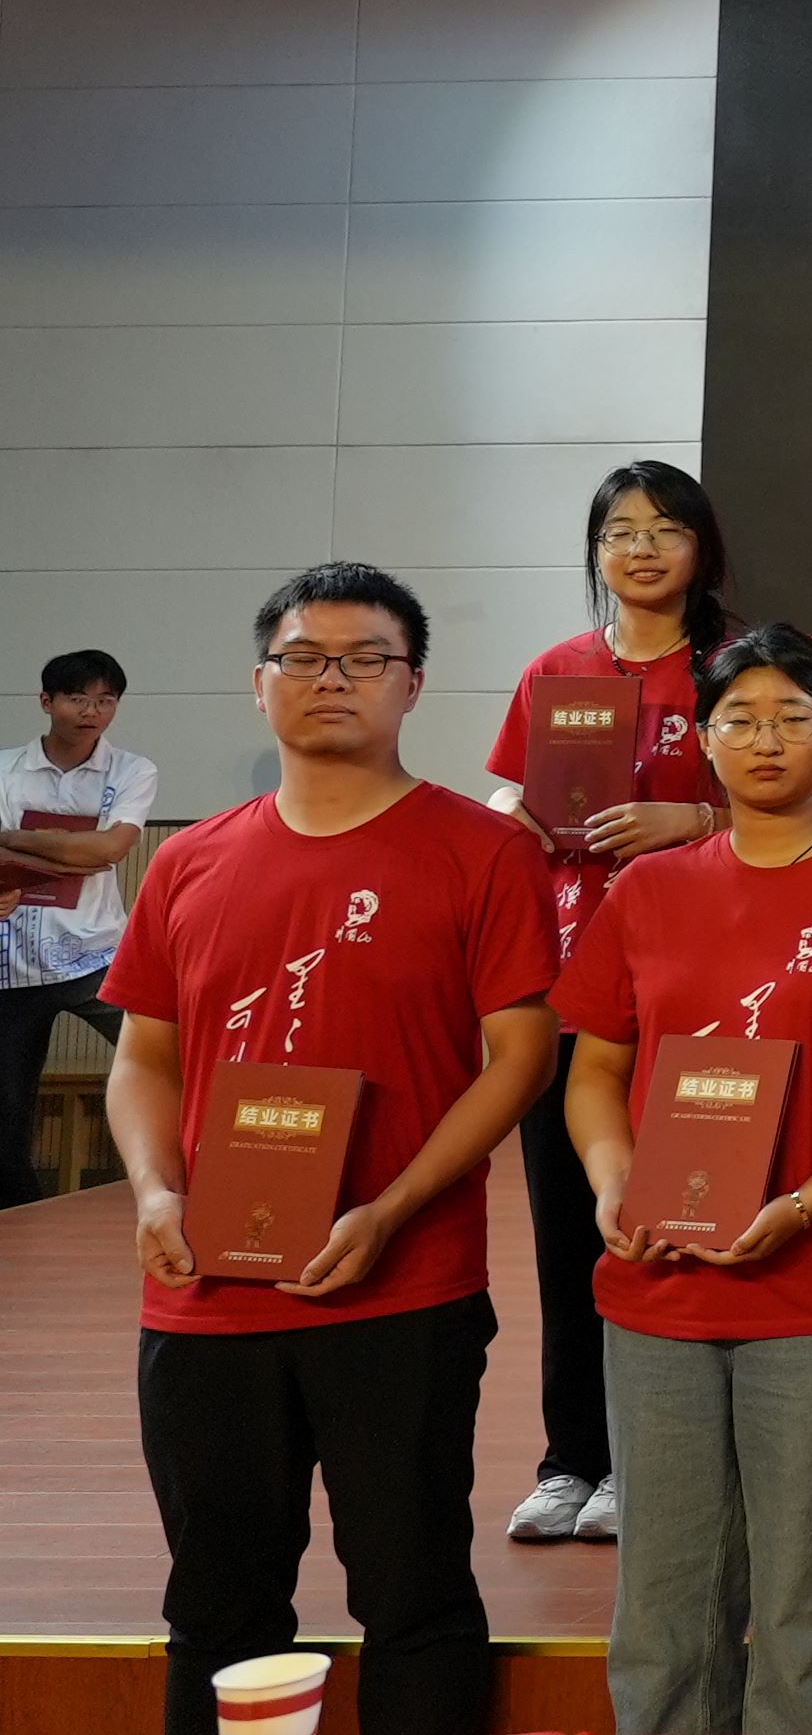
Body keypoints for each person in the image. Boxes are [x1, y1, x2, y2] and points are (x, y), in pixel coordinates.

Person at [106, 564, 560, 1735]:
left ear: (414, 685)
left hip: (403, 1288)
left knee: (413, 1595)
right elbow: (145, 1059)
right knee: (217, 1607)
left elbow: (519, 1058)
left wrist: (393, 1207)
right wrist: (153, 1190)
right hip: (207, 1296)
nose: (333, 680)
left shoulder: (484, 852)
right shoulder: (191, 861)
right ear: (258, 684)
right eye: (304, 658)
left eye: (366, 659)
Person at [561, 625, 812, 1735]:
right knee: (663, 1613)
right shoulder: (646, 889)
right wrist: (611, 1182)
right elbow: (595, 1070)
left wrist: (804, 1203)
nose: (766, 739)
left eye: (794, 717)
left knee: (802, 1614)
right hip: (658, 1287)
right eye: (739, 718)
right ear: (703, 738)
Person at [487, 458, 734, 1545]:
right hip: (570, 983)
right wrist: (511, 814)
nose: (641, 549)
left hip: (700, 989)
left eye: (665, 529)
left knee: (686, 1220)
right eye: (620, 531)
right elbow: (507, 796)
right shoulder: (557, 671)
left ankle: (659, 1459)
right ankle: (572, 1458)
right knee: (569, 1233)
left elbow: (797, 800)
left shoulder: (735, 667)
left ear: (701, 548)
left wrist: (694, 823)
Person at [1, 647, 153, 1207]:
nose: (91, 712)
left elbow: (111, 849)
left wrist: (11, 839)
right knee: (6, 1114)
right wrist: (74, 850)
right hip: (10, 963)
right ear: (46, 702)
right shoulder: (4, 769)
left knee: (171, 1066)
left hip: (99, 956)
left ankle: (181, 1190)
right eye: (76, 699)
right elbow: (90, 851)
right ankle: (18, 1221)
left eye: (105, 700)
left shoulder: (132, 770)